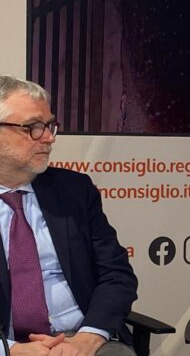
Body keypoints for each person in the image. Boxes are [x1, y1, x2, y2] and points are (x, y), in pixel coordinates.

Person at [0, 76, 138, 356]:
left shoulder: (75, 190)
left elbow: (117, 275)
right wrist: (11, 350)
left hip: (81, 339)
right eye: (33, 127)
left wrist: (89, 337)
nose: (49, 138)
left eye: (50, 125)